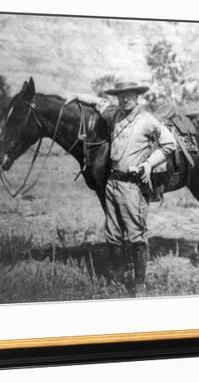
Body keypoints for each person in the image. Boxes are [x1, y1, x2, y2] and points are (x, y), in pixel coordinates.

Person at [65, 81, 176, 297]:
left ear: (137, 97)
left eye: (129, 95)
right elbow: (98, 103)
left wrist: (149, 164)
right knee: (113, 234)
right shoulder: (114, 114)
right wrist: (76, 94)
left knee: (136, 235)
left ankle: (139, 284)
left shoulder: (147, 121)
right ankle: (116, 277)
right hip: (112, 183)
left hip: (132, 186)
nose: (125, 99)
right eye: (121, 96)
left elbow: (169, 143)